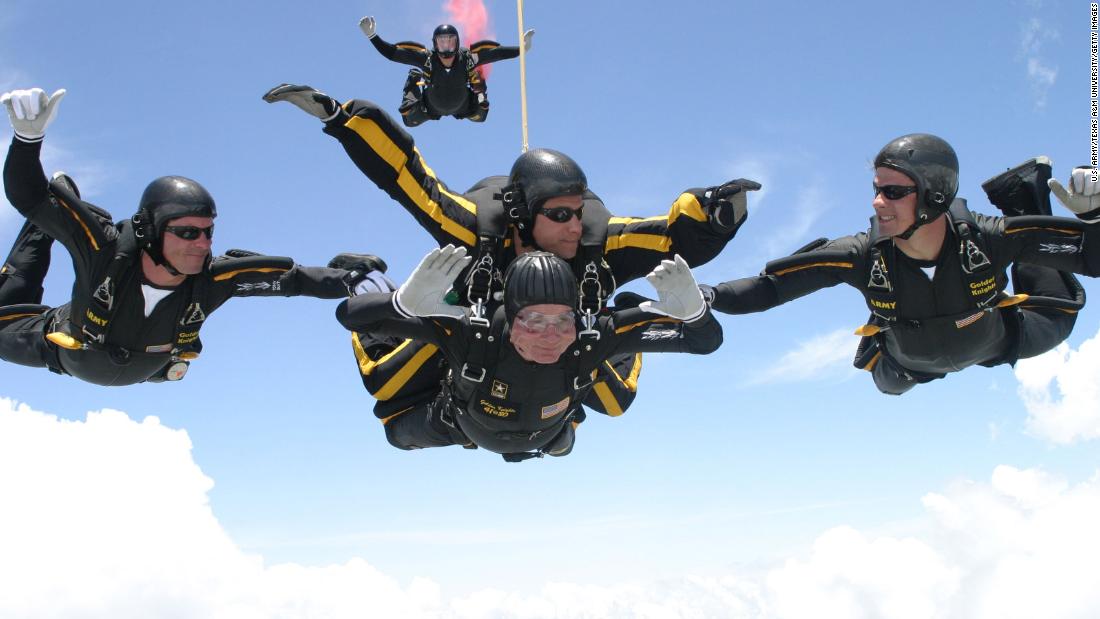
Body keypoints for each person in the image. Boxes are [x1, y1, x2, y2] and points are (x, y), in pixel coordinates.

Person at [264, 83, 757, 426]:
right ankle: (378, 289)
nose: (575, 226)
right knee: (387, 388)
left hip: (560, 347)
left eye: (578, 211)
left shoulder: (598, 239)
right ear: (521, 216)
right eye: (559, 215)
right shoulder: (475, 228)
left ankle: (605, 347)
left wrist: (713, 214)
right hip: (468, 333)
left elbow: (668, 236)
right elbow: (411, 181)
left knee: (614, 401)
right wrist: (344, 117)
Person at [0, 87, 381, 386]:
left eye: (207, 232)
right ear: (149, 232)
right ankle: (63, 192)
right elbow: (28, 196)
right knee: (21, 274)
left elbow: (293, 279)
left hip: (144, 366)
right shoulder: (105, 250)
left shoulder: (213, 279)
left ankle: (157, 371)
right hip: (62, 348)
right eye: (186, 233)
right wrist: (26, 140)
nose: (202, 244)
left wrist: (354, 282)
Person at [702, 133, 1100, 395]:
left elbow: (1089, 257)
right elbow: (772, 287)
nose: (877, 203)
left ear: (935, 194)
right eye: (876, 190)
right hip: (905, 362)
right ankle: (884, 341)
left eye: (893, 192)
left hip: (1000, 340)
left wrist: (1093, 217)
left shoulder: (985, 238)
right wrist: (707, 296)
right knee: (887, 386)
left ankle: (1024, 195)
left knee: (1058, 312)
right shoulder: (859, 255)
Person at [336, 245, 722, 461]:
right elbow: (354, 317)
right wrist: (403, 304)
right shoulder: (475, 331)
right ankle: (368, 278)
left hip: (536, 427)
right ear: (509, 318)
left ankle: (559, 433)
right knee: (392, 416)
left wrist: (695, 314)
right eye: (533, 322)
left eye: (562, 321)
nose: (549, 337)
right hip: (458, 421)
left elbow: (703, 342)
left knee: (600, 413)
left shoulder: (589, 336)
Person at [357, 17, 534, 126]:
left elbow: (497, 54)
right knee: (408, 119)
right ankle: (412, 85)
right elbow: (393, 54)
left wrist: (522, 49)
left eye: (450, 42)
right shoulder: (427, 59)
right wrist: (373, 37)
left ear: (457, 43)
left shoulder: (468, 58)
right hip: (429, 107)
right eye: (442, 42)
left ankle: (479, 93)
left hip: (464, 106)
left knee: (482, 114)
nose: (446, 46)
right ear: (435, 44)